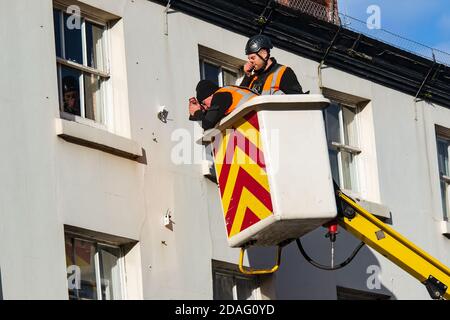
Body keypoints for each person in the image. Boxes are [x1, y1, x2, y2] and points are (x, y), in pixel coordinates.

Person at [240, 34, 306, 95]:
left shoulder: (284, 72)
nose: (250, 61)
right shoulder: (253, 77)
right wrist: (247, 75)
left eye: (253, 58)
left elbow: (297, 102)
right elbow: (240, 97)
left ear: (264, 55)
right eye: (249, 58)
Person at [189, 80, 258, 130]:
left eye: (204, 103)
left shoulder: (219, 96)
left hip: (257, 119)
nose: (206, 107)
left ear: (211, 95)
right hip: (258, 118)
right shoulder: (226, 93)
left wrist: (196, 112)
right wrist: (200, 111)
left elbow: (207, 123)